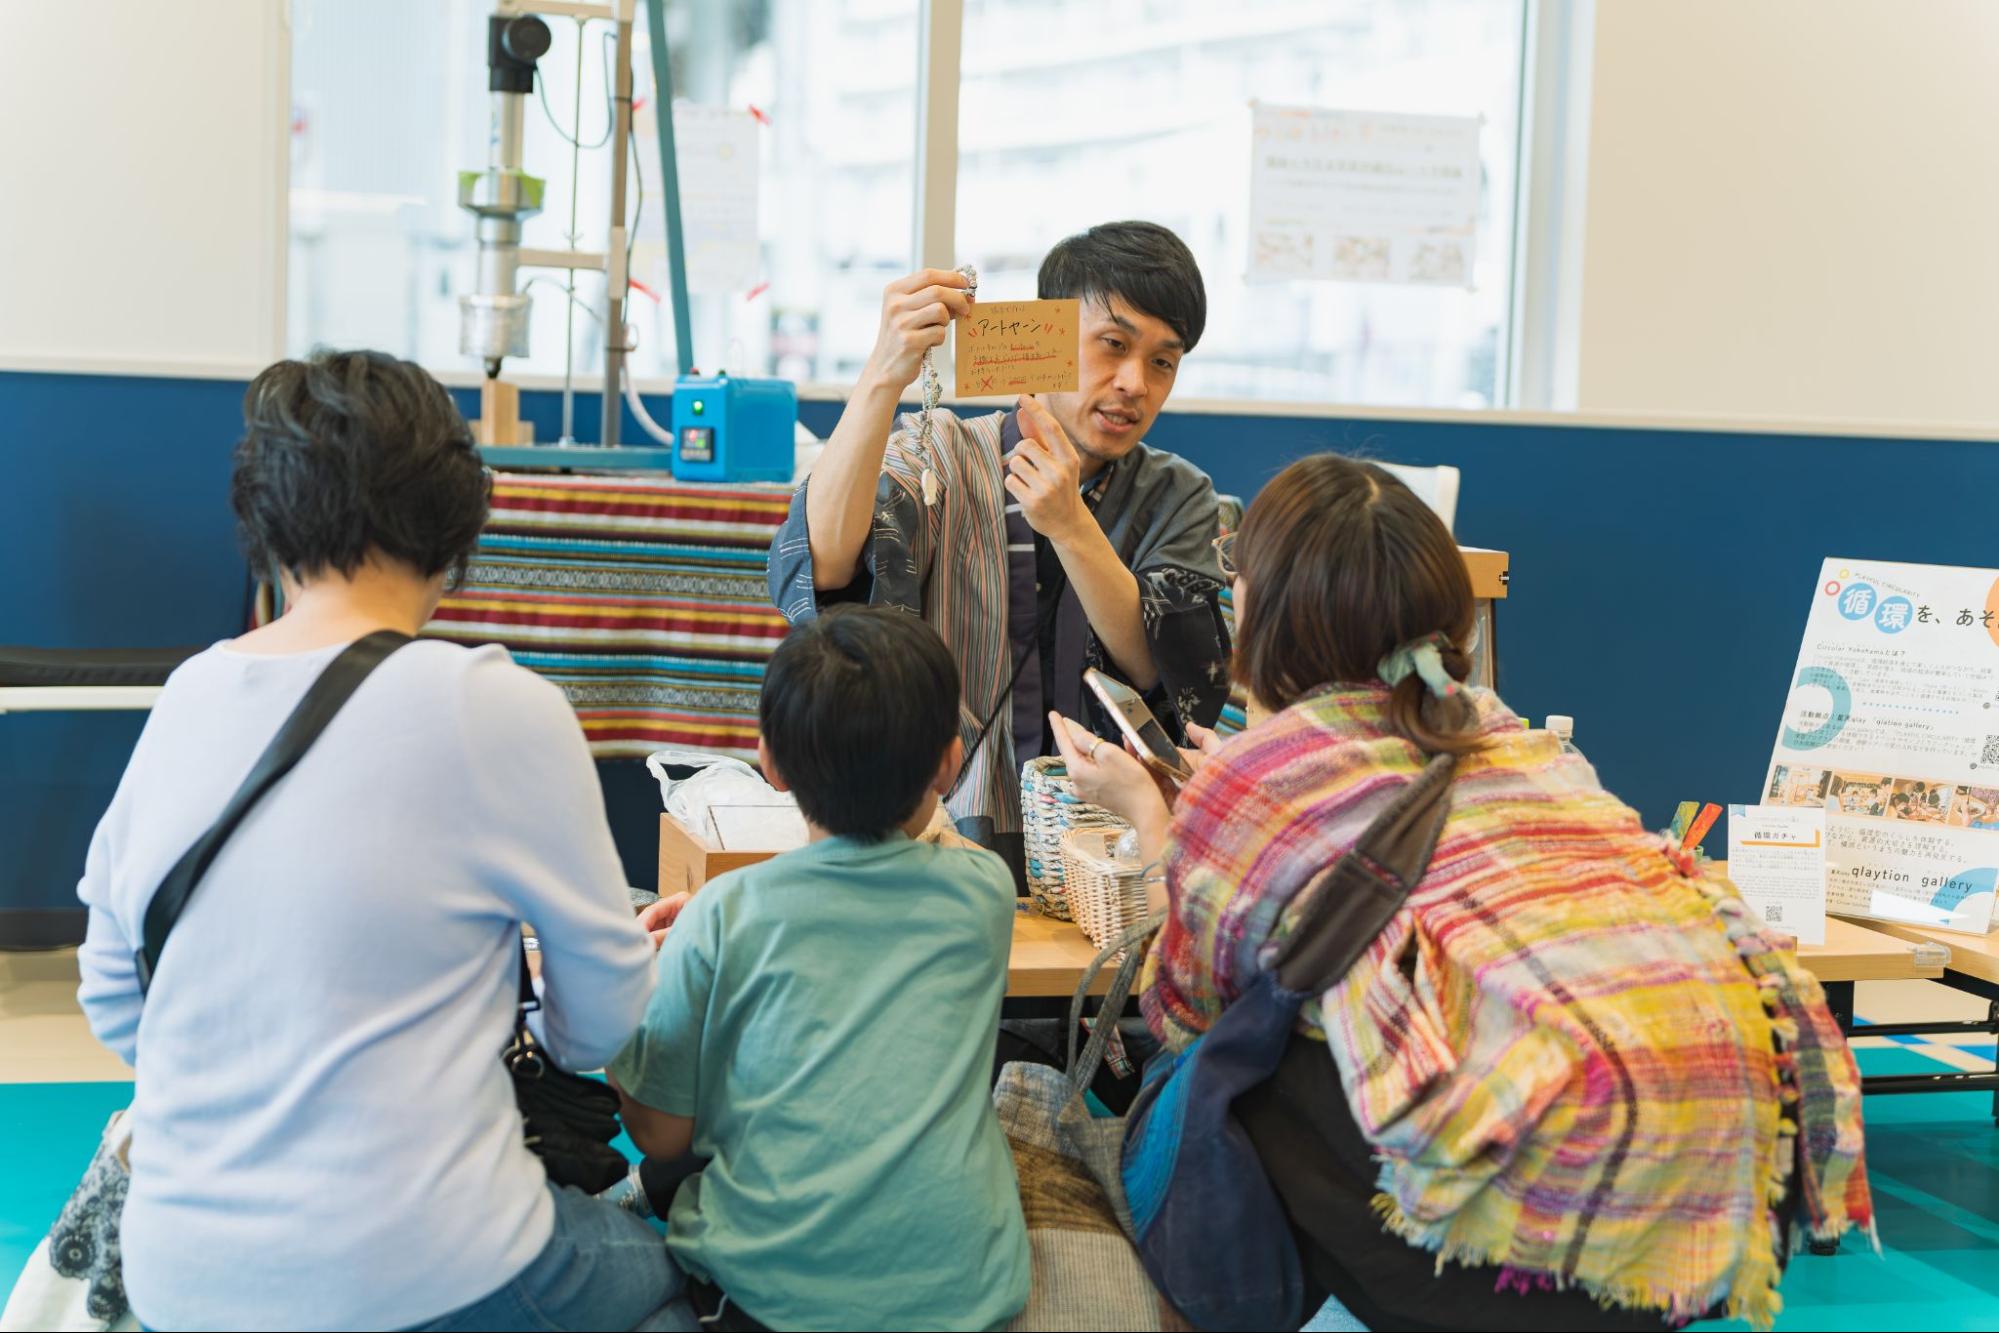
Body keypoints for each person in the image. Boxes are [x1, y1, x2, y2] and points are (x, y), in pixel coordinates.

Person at [1051, 453, 1871, 1330]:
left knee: (1227, 1064)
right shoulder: (1517, 739)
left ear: (1262, 608)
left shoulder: (1259, 779)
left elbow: (1181, 1008)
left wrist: (1159, 820)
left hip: (1518, 1226)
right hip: (1724, 1161)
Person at [74, 351, 684, 1332]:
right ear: (455, 518)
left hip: (180, 1277)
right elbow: (599, 1023)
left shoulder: (188, 694)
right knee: (668, 1273)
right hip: (430, 1262)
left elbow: (113, 994)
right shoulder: (497, 706)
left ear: (264, 519)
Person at [767, 221, 1233, 882]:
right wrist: (883, 375)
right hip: (936, 841)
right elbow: (824, 569)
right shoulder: (943, 452)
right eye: (1112, 344)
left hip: (1115, 860)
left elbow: (1171, 669)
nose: (1135, 382)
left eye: (1163, 361)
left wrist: (1071, 526)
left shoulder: (1178, 494)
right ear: (1048, 333)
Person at [609, 606, 1030, 1332]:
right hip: (970, 1292)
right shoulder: (984, 890)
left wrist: (636, 1004)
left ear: (768, 762)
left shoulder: (723, 915)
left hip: (777, 1299)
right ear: (949, 762)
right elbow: (912, 862)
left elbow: (662, 1136)